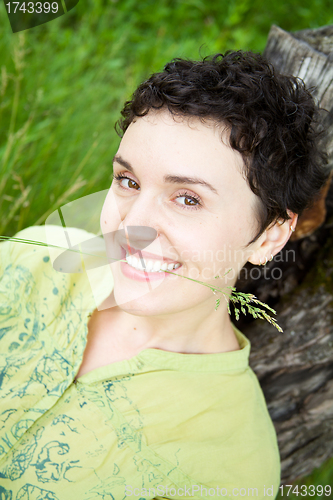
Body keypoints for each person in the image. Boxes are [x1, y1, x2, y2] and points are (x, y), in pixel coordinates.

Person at [0, 51, 329, 499]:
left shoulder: (230, 466)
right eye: (128, 181)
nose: (133, 224)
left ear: (270, 236)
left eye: (188, 198)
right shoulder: (30, 258)